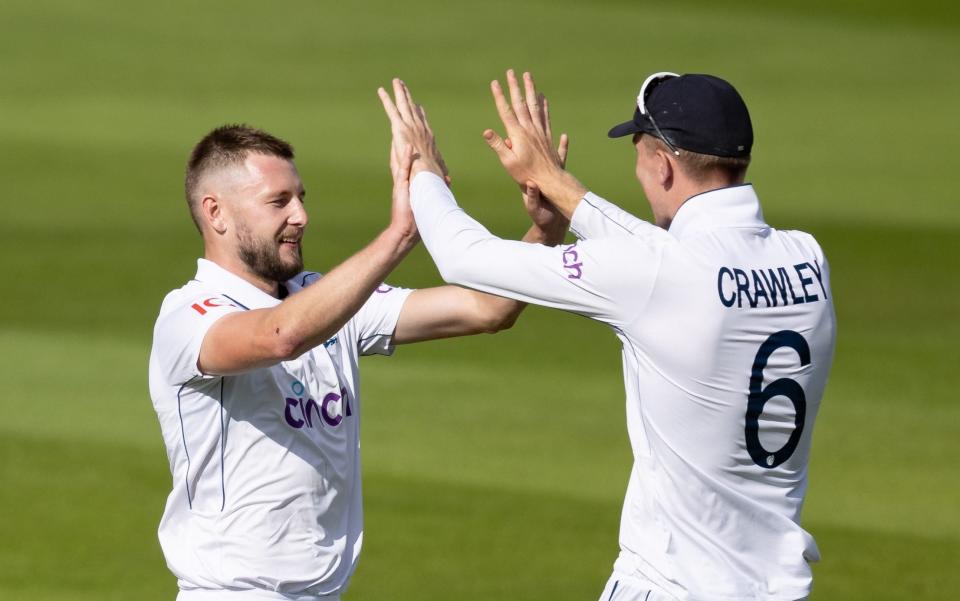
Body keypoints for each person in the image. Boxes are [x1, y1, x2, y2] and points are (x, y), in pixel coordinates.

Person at [380, 71, 836, 601]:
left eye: (639, 155)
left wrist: (424, 170)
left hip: (670, 586)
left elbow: (463, 257)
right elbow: (661, 258)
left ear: (662, 165)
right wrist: (555, 183)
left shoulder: (660, 272)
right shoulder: (807, 259)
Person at [147, 122, 568, 600]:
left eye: (301, 196)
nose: (301, 215)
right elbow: (281, 336)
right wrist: (398, 236)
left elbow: (487, 309)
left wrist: (546, 231)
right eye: (278, 201)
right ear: (216, 212)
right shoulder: (189, 315)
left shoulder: (322, 297)